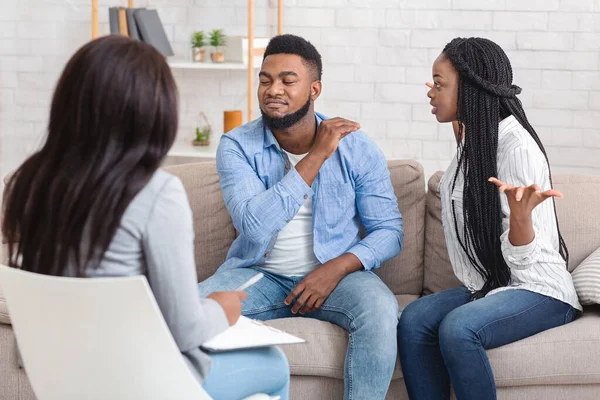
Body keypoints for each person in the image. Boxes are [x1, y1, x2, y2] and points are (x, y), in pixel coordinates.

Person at [1, 35, 290, 400]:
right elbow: (185, 330)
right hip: (146, 385)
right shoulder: (155, 193)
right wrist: (221, 309)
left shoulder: (31, 183)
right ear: (152, 111)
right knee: (274, 365)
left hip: (66, 382)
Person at [197, 34, 403, 400]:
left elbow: (389, 230)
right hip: (259, 273)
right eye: (265, 79)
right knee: (191, 313)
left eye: (288, 81)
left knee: (382, 310)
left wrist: (336, 268)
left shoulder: (356, 146)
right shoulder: (237, 146)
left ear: (314, 89)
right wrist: (316, 157)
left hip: (338, 277)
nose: (273, 89)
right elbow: (254, 225)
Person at [397, 37, 582, 400]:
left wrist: (521, 219)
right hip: (491, 285)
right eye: (432, 83)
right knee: (415, 320)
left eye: (439, 84)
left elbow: (530, 260)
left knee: (458, 328)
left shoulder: (517, 149)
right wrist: (457, 106)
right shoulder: (479, 138)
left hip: (539, 290)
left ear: (468, 89)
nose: (431, 93)